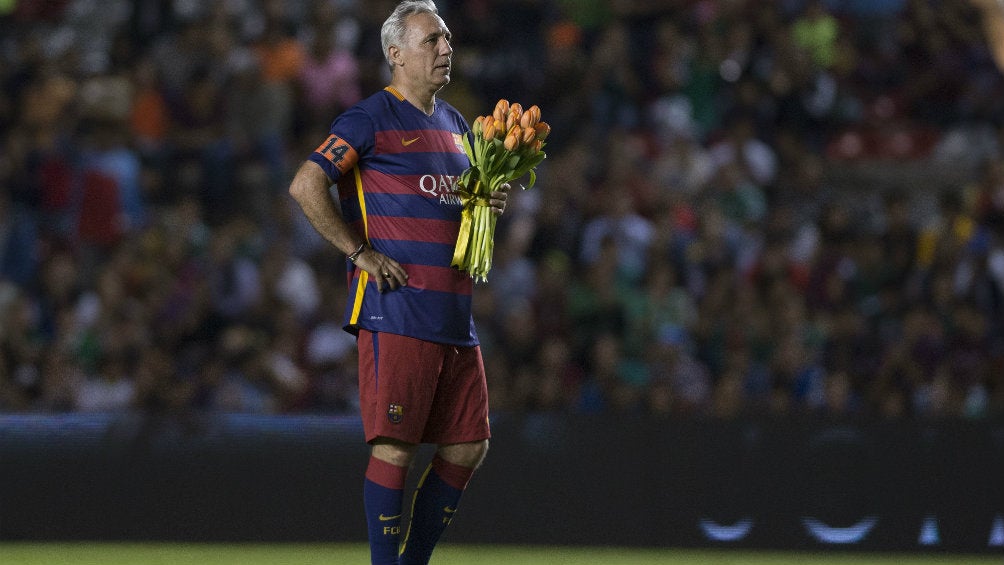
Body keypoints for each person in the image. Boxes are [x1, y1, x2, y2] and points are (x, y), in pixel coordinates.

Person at [287, 2, 509, 564]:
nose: (445, 48)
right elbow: (305, 186)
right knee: (395, 448)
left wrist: (483, 204)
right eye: (432, 40)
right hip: (398, 309)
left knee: (468, 446)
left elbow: (450, 206)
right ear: (395, 53)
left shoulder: (458, 126)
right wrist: (359, 252)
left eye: (447, 39)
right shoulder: (369, 118)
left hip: (455, 317)